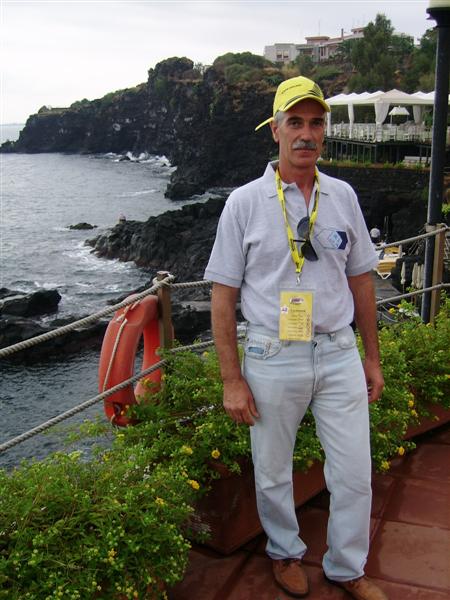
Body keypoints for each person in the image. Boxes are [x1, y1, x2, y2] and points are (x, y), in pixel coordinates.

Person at [204, 76, 387, 600]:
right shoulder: (244, 203)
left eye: (315, 123)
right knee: (272, 470)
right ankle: (284, 552)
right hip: (272, 352)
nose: (306, 133)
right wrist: (231, 379)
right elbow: (222, 296)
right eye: (295, 122)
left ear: (324, 131)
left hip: (337, 350)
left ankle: (347, 567)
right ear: (276, 130)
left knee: (354, 470)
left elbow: (361, 280)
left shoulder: (343, 196)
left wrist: (372, 357)